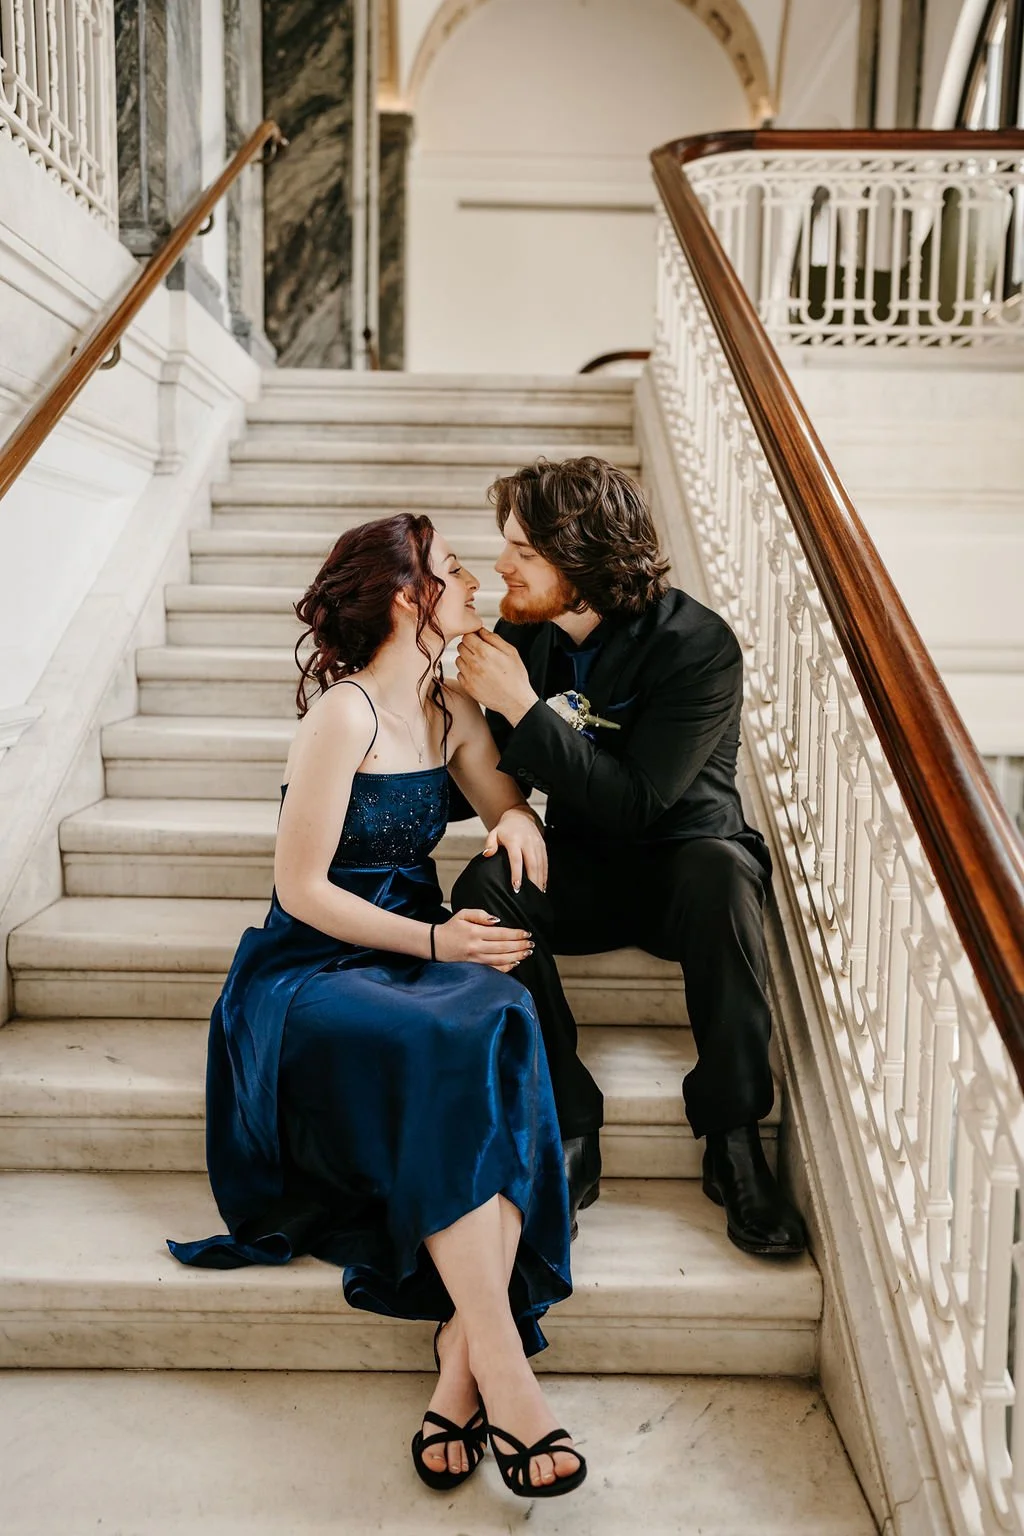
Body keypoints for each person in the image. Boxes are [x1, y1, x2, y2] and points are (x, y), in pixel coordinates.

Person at [167, 513, 587, 1499]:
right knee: (450, 1026)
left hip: (407, 943)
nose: (474, 583)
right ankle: (506, 1374)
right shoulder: (341, 716)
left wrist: (519, 817)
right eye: (452, 572)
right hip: (311, 969)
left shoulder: (446, 708)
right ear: (410, 597)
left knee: (499, 1014)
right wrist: (441, 941)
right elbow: (303, 889)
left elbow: (497, 800)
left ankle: (459, 1359)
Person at [453, 456, 806, 1259]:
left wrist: (517, 704)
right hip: (584, 869)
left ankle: (733, 1138)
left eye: (524, 552)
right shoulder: (524, 634)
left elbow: (640, 800)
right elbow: (492, 772)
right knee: (483, 883)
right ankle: (569, 1121)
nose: (501, 566)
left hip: (686, 868)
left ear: (583, 559)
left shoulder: (698, 645)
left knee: (722, 871)